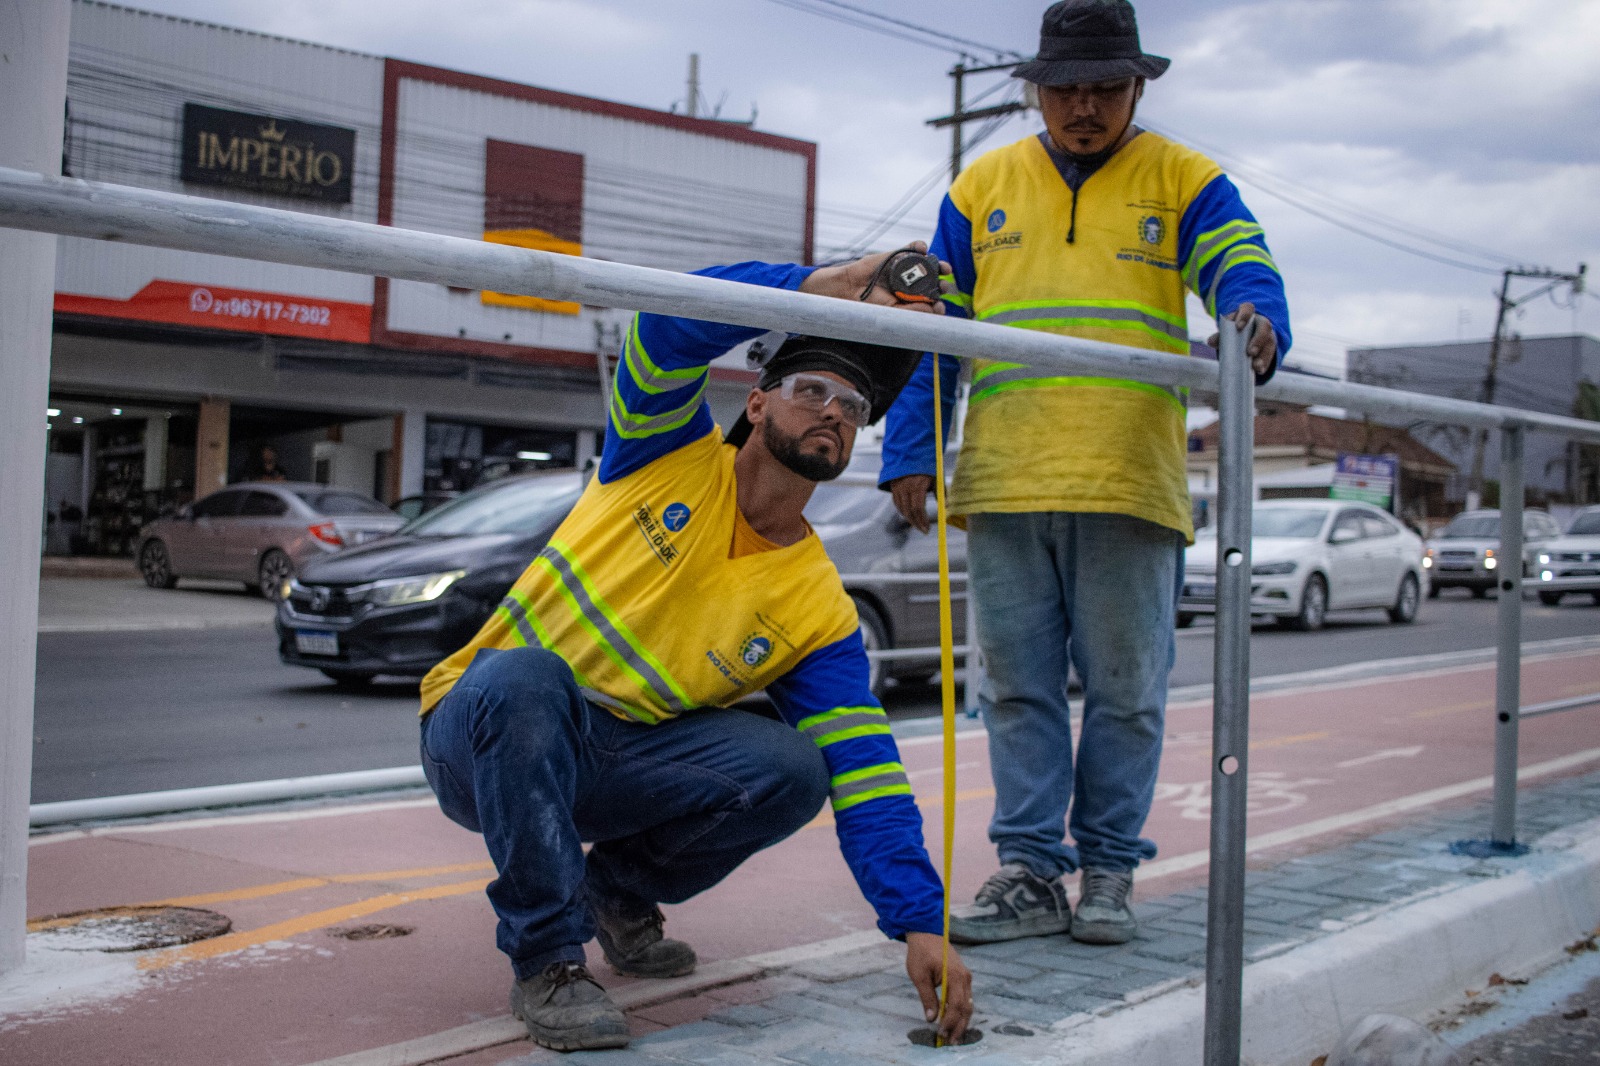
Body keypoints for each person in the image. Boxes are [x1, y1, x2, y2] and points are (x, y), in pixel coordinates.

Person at [418, 248, 974, 1052]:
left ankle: (614, 892)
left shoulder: (817, 603)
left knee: (796, 769)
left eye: (851, 406)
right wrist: (819, 289)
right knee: (527, 679)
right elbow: (667, 325)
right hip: (483, 732)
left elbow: (866, 768)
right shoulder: (660, 449)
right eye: (809, 389)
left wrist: (919, 922)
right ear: (754, 403)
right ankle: (548, 961)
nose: (830, 412)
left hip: (617, 764)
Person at [880, 0, 1291, 948]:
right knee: (1016, 690)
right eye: (1065, 88)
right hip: (1007, 478)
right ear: (1035, 91)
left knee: (1125, 690)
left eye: (1106, 88)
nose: (1085, 107)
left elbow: (1242, 267)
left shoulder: (1186, 179)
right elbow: (930, 329)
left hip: (1126, 477)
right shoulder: (981, 184)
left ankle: (1108, 869)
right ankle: (1028, 869)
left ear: (1137, 86)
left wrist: (1255, 320)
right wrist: (911, 449)